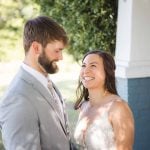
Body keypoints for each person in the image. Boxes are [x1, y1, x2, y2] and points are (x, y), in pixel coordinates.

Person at [0, 16, 71, 150]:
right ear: (36, 47)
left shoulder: (46, 81)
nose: (61, 57)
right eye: (57, 51)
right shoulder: (17, 98)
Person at [74, 50, 134, 150]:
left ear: (107, 72)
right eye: (84, 65)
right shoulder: (83, 106)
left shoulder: (118, 107)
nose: (86, 71)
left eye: (93, 66)